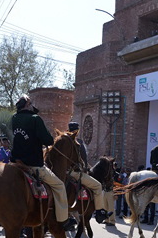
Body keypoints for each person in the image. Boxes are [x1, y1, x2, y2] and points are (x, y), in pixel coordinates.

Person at [11, 95, 71, 231]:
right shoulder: (35, 119)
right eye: (31, 104)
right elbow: (49, 141)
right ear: (27, 105)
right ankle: (63, 219)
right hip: (33, 164)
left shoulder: (14, 118)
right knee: (60, 185)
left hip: (15, 162)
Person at [67, 122, 109, 223]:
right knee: (98, 186)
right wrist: (86, 168)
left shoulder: (62, 140)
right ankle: (99, 213)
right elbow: (83, 160)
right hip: (75, 173)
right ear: (78, 129)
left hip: (63, 172)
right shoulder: (79, 142)